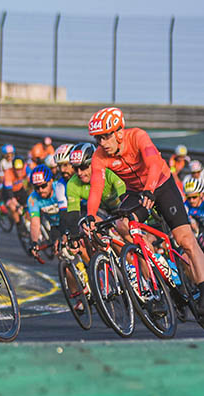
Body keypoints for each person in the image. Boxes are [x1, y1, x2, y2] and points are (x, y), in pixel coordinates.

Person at [82, 107, 204, 316]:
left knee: (185, 240)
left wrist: (150, 190)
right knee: (123, 225)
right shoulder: (100, 157)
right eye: (97, 138)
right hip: (137, 192)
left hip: (161, 185)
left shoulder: (137, 136)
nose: (102, 143)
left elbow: (154, 164)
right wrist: (91, 215)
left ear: (119, 132)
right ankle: (156, 282)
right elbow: (96, 187)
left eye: (105, 136)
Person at [27, 164, 68, 260]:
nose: (40, 190)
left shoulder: (61, 187)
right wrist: (34, 242)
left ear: (51, 181)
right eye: (36, 188)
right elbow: (35, 223)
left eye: (43, 186)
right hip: (55, 226)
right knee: (60, 255)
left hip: (68, 220)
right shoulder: (33, 199)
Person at [3, 157, 29, 235]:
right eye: (17, 170)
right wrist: (17, 205)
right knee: (14, 207)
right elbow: (10, 193)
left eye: (20, 169)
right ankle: (19, 225)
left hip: (20, 190)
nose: (19, 172)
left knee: (28, 205)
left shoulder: (26, 168)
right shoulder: (8, 173)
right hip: (8, 193)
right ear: (13, 168)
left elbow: (32, 178)